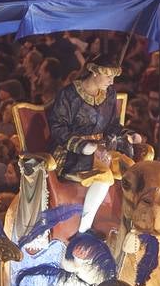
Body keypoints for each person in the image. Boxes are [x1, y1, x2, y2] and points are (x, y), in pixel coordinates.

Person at [46, 57, 139, 234]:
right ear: (94, 72)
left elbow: (112, 125)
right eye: (108, 76)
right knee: (104, 177)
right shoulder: (69, 94)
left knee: (130, 168)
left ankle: (128, 224)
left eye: (114, 77)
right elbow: (58, 128)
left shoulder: (109, 93)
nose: (112, 82)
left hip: (102, 149)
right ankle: (84, 230)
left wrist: (129, 135)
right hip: (71, 153)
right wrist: (83, 146)